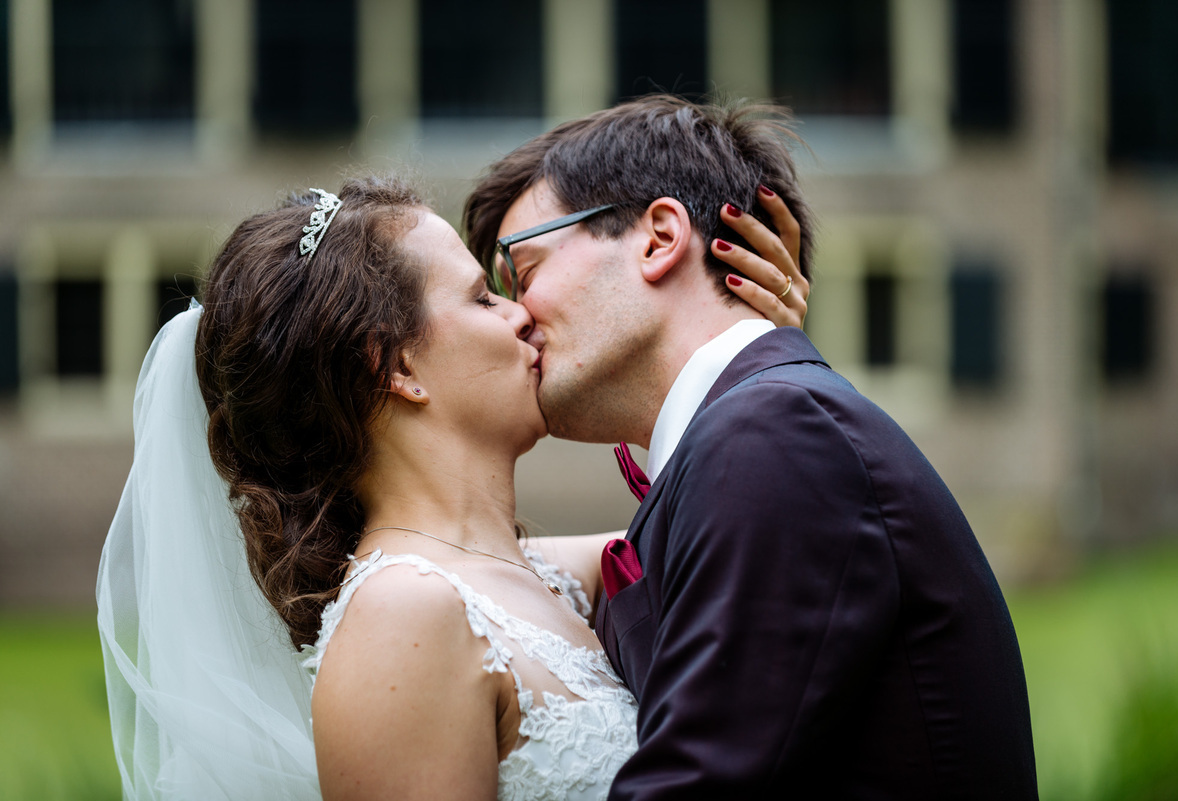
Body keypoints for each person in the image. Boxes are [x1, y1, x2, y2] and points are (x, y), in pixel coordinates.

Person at [96, 173, 808, 800]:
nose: (522, 312)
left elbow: (749, 536)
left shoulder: (553, 577)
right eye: (480, 298)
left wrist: (742, 356)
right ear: (395, 366)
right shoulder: (401, 621)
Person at [464, 94, 1040, 799]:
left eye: (521, 274)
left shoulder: (775, 436)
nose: (514, 318)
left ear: (658, 237)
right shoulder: (759, 433)